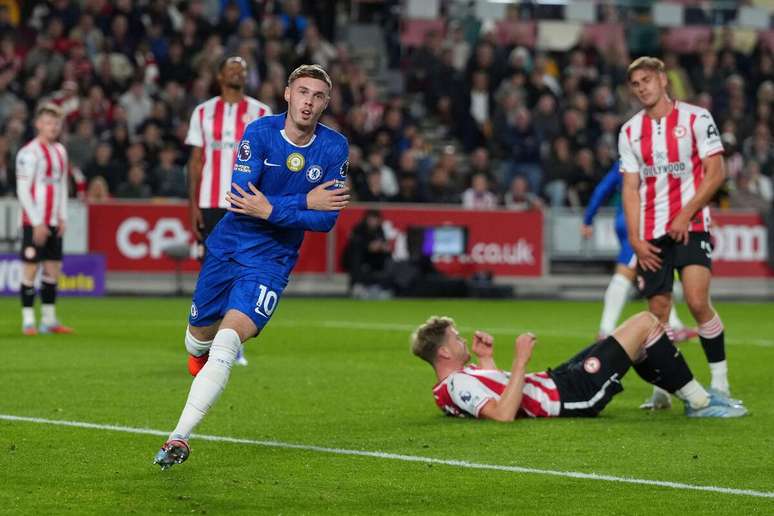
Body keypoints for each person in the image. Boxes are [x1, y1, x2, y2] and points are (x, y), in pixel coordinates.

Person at [153, 64, 351, 470]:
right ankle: (197, 360)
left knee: (227, 344)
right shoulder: (259, 133)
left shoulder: (335, 148)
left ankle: (179, 437)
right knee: (198, 342)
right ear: (287, 94)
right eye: (302, 92)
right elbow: (245, 200)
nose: (309, 102)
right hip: (227, 247)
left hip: (272, 261)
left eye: (317, 96)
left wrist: (276, 208)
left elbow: (327, 219)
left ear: (326, 103)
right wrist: (302, 204)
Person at [619, 57, 732, 410]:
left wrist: (685, 214)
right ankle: (665, 389)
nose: (642, 88)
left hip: (692, 224)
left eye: (647, 80)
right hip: (651, 232)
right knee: (658, 313)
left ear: (663, 80)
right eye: (636, 84)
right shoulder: (629, 131)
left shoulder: (697, 118)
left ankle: (720, 381)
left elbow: (717, 173)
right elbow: (630, 188)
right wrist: (635, 239)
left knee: (697, 301)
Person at [411, 312, 747, 422]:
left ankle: (696, 398)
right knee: (645, 324)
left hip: (557, 381)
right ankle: (700, 402)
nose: (463, 341)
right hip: (570, 396)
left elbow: (498, 391)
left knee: (636, 337)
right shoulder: (457, 385)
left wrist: (487, 360)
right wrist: (519, 360)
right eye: (456, 339)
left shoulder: (456, 382)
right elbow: (502, 414)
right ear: (443, 354)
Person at [185, 56, 272, 366]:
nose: (238, 71)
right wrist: (193, 205)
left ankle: (233, 342)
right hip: (210, 203)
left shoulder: (261, 113)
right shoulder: (203, 112)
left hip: (245, 203)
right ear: (220, 74)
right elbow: (196, 162)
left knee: (245, 269)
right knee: (214, 271)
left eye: (243, 67)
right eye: (232, 67)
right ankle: (207, 340)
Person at [581, 162, 698, 345]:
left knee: (655, 269)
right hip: (639, 221)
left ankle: (674, 326)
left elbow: (603, 188)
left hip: (628, 219)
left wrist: (588, 219)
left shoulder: (625, 159)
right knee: (626, 273)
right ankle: (606, 329)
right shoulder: (656, 157)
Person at [15, 103, 73, 336]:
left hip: (52, 221)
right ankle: (28, 321)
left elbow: (61, 186)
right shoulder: (28, 153)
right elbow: (23, 190)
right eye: (48, 122)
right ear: (38, 124)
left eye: (56, 123)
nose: (53, 127)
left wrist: (62, 217)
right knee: (30, 268)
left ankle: (48, 320)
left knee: (52, 270)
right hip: (33, 221)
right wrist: (37, 221)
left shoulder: (60, 151)